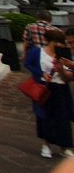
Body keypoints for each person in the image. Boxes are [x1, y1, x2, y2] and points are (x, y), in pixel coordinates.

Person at [23, 27, 74, 158]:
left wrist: (61, 68)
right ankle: (46, 145)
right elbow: (28, 64)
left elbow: (68, 76)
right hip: (45, 87)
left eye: (60, 42)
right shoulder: (37, 52)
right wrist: (40, 74)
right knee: (45, 117)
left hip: (61, 88)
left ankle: (65, 146)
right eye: (55, 42)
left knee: (63, 118)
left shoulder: (64, 54)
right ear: (49, 41)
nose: (58, 45)